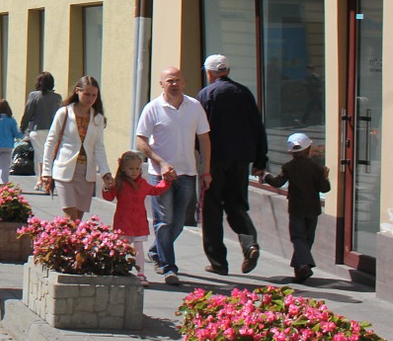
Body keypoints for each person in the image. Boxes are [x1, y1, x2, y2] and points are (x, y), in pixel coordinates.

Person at [135, 67, 212, 286]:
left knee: (178, 223)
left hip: (187, 173)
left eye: (178, 80)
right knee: (164, 221)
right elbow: (141, 140)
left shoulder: (194, 107)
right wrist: (159, 162)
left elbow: (204, 140)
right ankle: (169, 268)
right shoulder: (153, 108)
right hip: (160, 175)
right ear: (162, 84)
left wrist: (206, 170)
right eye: (170, 80)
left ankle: (156, 251)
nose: (175, 84)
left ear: (184, 83)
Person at [197, 53, 267, 276]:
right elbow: (258, 126)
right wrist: (260, 160)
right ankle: (250, 244)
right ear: (227, 70)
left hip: (215, 159)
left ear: (209, 73)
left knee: (212, 209)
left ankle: (218, 262)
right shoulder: (244, 93)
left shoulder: (207, 94)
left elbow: (199, 129)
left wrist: (197, 158)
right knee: (236, 204)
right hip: (241, 159)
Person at [261, 133, 331, 283]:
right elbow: (325, 188)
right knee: (307, 238)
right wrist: (325, 176)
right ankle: (299, 269)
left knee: (298, 238)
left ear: (290, 152)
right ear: (309, 149)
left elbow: (278, 182)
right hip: (313, 209)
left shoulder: (288, 167)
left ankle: (304, 266)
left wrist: (266, 176)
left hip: (296, 208)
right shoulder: (317, 167)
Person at [40, 76, 113, 221]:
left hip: (86, 173)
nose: (90, 98)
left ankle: (63, 242)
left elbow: (99, 147)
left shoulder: (97, 118)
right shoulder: (64, 113)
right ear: (77, 91)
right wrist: (46, 171)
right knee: (70, 217)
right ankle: (60, 241)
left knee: (77, 221)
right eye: (86, 94)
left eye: (94, 95)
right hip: (64, 170)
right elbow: (50, 142)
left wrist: (105, 171)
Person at [102, 150, 170, 284]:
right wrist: (107, 188)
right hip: (123, 222)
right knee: (120, 248)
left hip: (139, 222)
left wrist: (166, 182)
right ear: (123, 169)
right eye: (131, 168)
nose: (134, 171)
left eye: (137, 168)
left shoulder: (143, 184)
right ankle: (117, 270)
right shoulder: (119, 183)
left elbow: (155, 190)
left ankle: (141, 273)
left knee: (139, 249)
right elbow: (109, 197)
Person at [20, 72, 61, 190]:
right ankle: (49, 180)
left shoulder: (34, 95)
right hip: (53, 130)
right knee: (51, 155)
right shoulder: (57, 97)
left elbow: (28, 112)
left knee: (40, 155)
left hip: (37, 130)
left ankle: (40, 179)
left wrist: (23, 127)